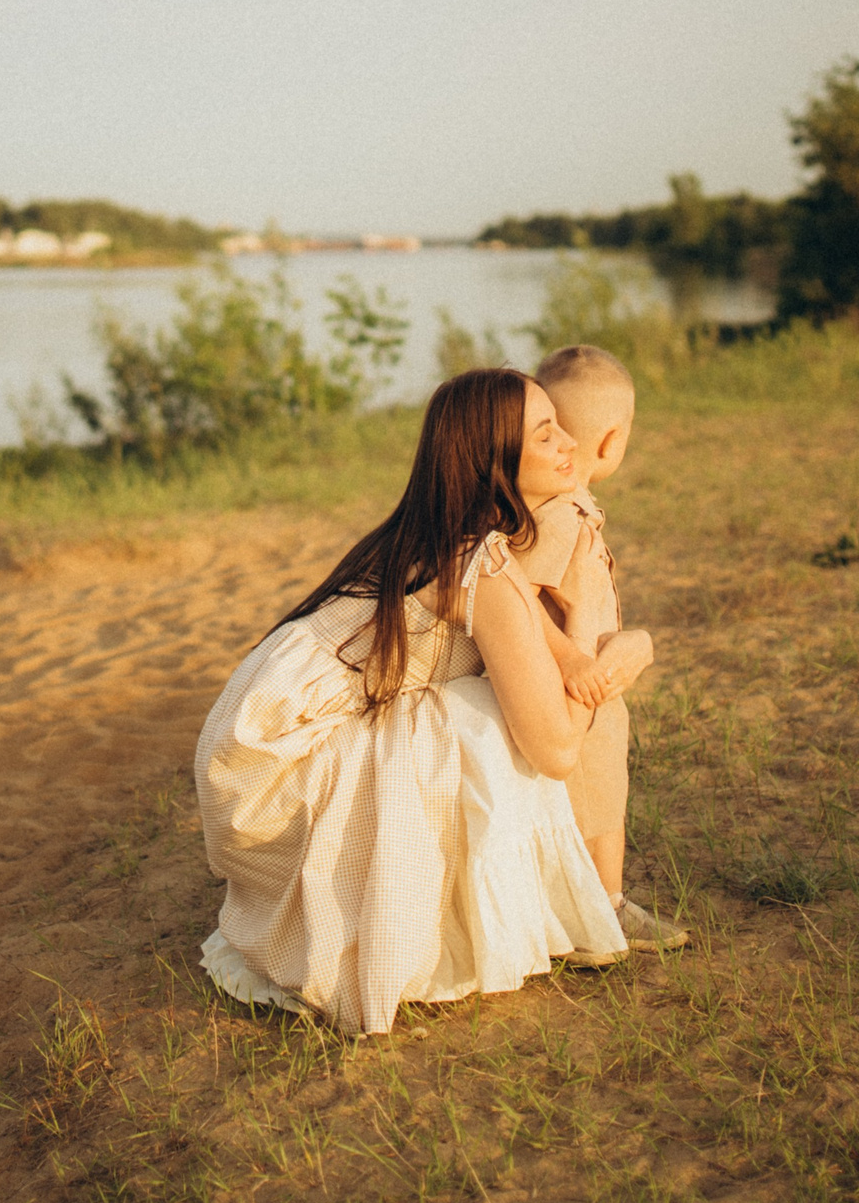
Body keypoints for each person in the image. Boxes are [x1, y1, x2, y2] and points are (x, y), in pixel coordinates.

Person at [194, 368, 657, 1035]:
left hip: (250, 742)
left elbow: (540, 636)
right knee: (485, 715)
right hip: (280, 763)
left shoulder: (437, 527)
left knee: (465, 699)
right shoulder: (484, 565)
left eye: (563, 426)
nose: (570, 447)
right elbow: (555, 747)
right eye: (545, 433)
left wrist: (592, 653)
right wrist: (611, 649)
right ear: (494, 460)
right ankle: (414, 930)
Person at [523, 344, 689, 952]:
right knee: (596, 796)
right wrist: (572, 658)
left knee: (605, 792)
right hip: (575, 688)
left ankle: (597, 905)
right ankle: (603, 913)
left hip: (590, 684)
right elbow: (512, 590)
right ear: (612, 441)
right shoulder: (558, 516)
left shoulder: (565, 508)